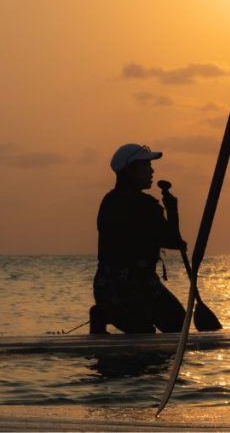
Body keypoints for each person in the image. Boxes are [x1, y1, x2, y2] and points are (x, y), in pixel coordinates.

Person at [89, 143, 186, 334]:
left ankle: (105, 312)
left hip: (105, 286)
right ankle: (109, 314)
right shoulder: (146, 206)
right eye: (146, 166)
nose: (151, 171)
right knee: (177, 324)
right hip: (138, 287)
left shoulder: (108, 201)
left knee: (143, 327)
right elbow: (174, 241)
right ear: (130, 171)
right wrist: (172, 209)